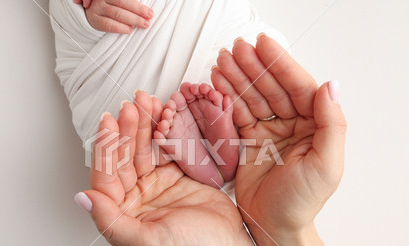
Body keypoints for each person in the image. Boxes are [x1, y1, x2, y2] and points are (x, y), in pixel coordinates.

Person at [74, 34, 380, 246]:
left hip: (242, 112)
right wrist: (284, 232)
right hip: (258, 119)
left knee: (248, 59)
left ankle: (213, 167)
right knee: (257, 72)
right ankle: (218, 164)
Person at [50, 0, 288, 187]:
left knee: (259, 55)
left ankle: (205, 149)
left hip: (136, 98)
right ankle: (210, 148)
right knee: (252, 63)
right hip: (115, 60)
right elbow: (70, 18)